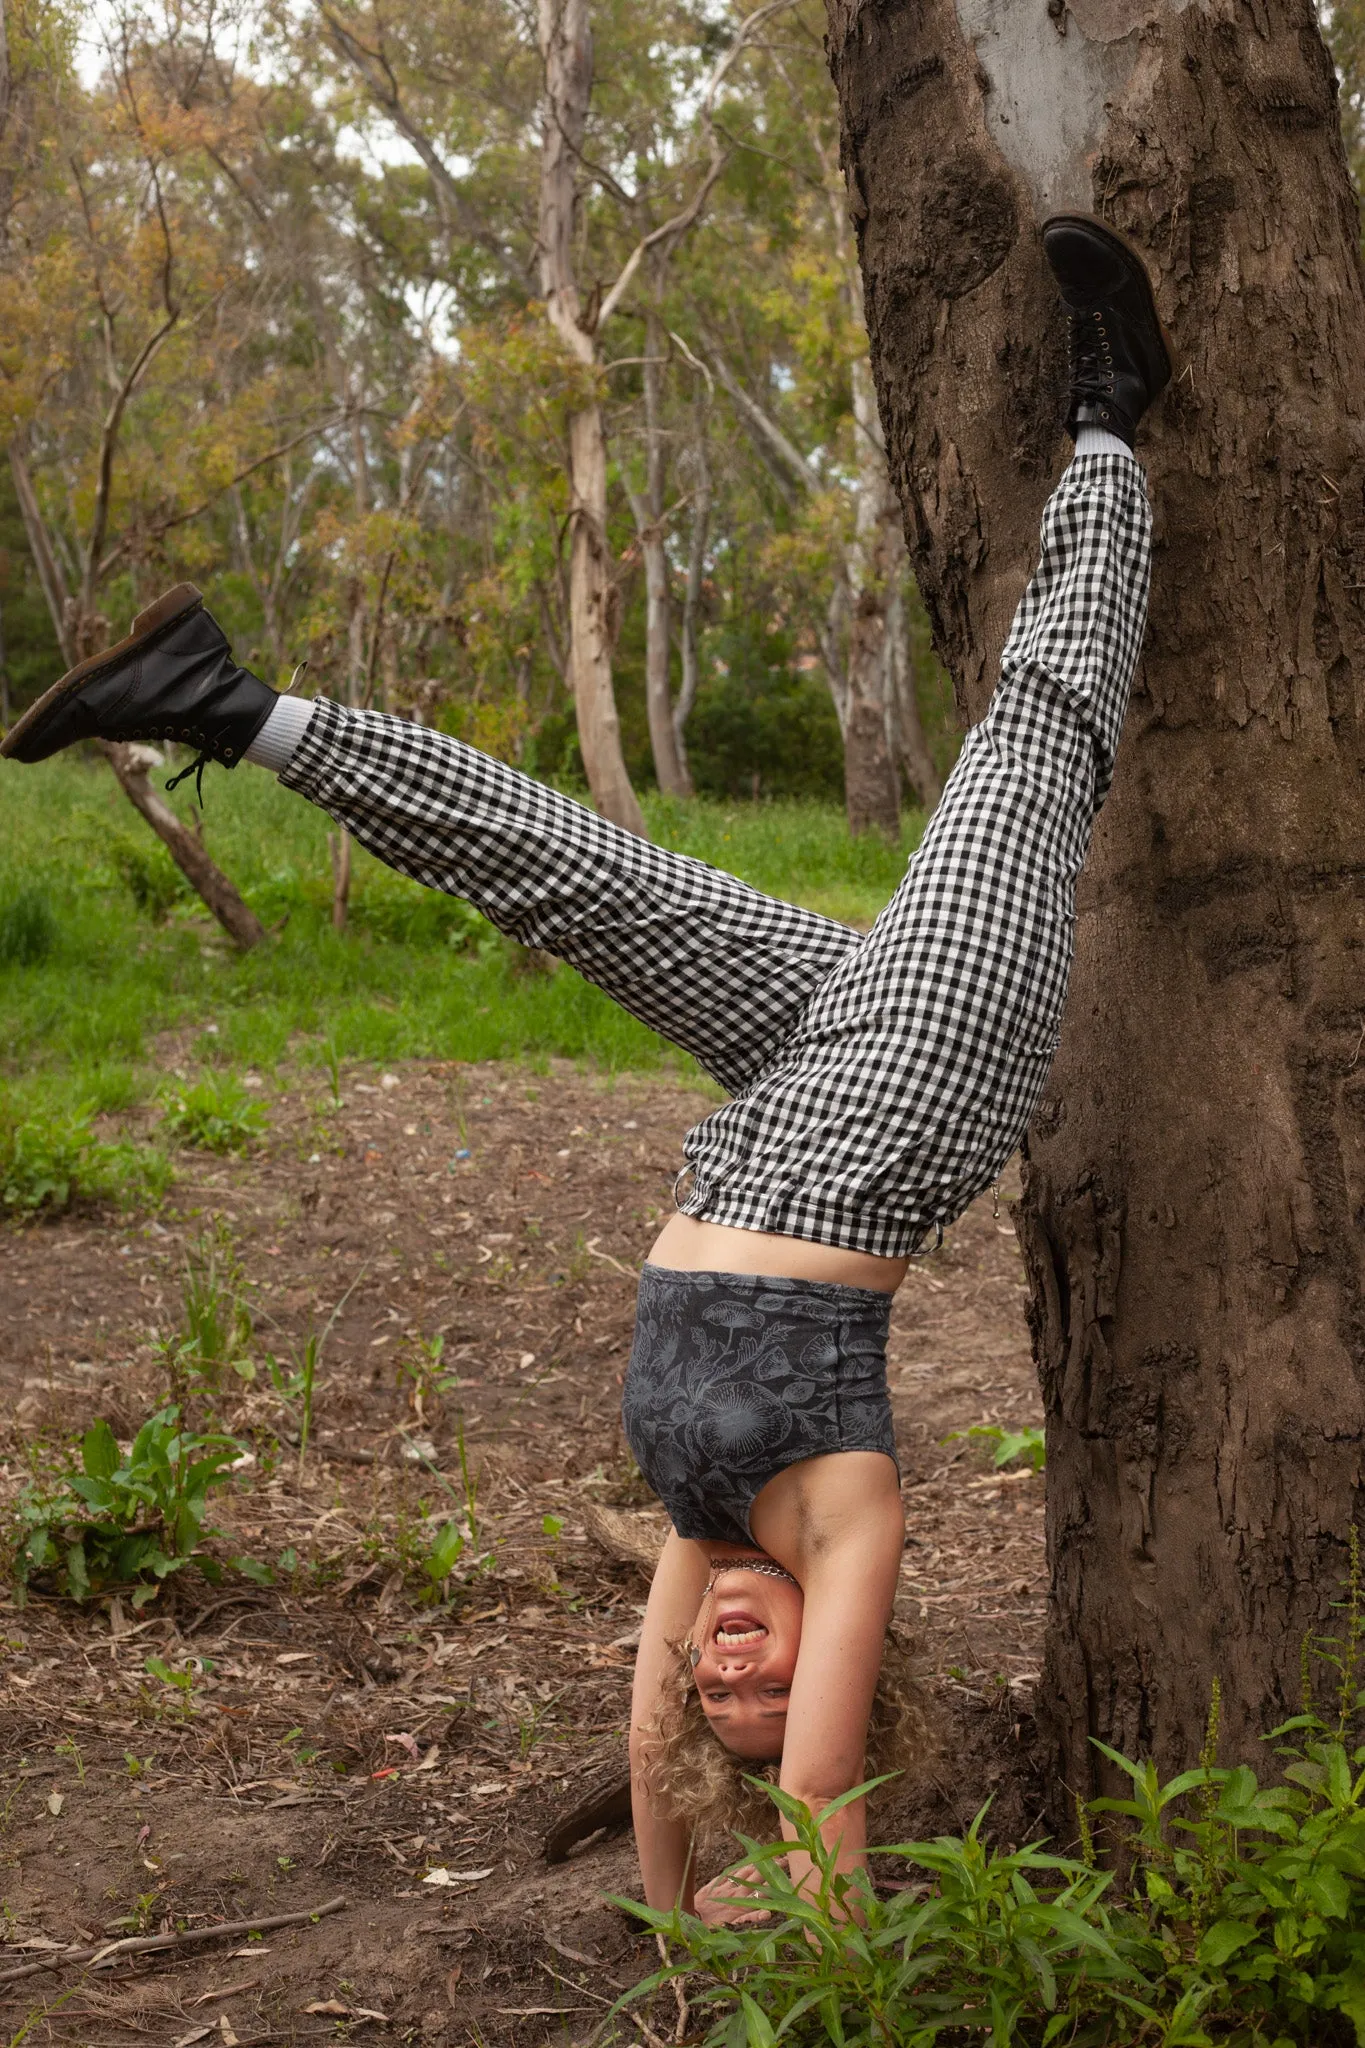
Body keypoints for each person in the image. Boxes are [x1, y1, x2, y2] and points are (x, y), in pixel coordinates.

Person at [1, 214, 1172, 1918]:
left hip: (771, 1107)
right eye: (766, 1689)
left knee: (569, 871)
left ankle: (230, 707)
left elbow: (646, 1753)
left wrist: (678, 1901)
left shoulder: (703, 1527)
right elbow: (826, 1781)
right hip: (914, 1088)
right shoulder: (843, 1530)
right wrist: (800, 1929)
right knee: (1035, 737)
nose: (729, 1671)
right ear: (849, 1656)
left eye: (718, 1692)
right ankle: (1114, 429)